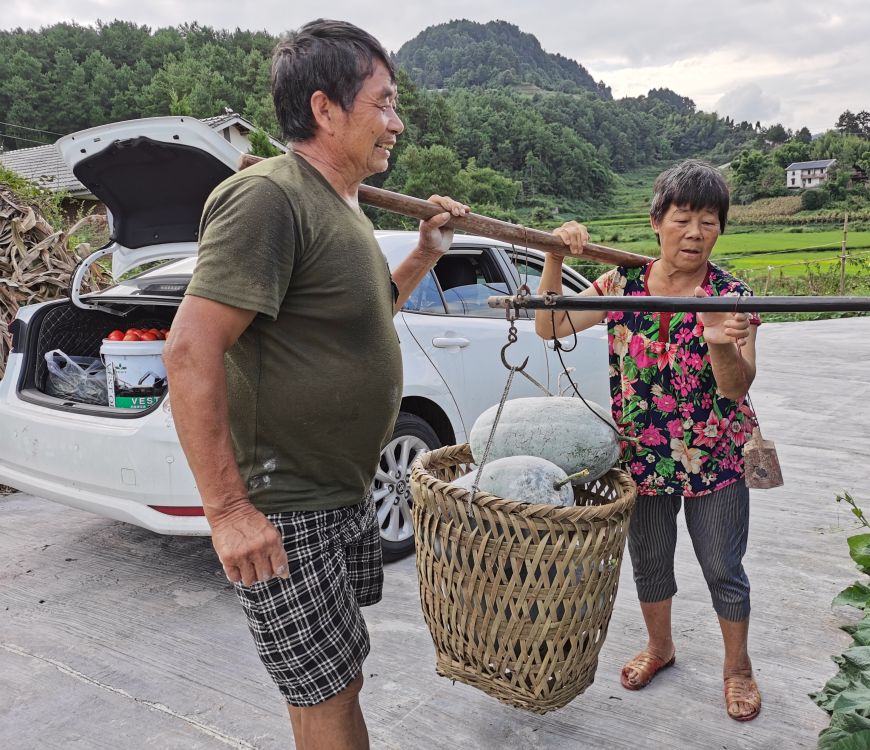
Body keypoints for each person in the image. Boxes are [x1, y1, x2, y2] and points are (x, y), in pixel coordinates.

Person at [163, 20, 467, 750]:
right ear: (325, 109)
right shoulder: (269, 196)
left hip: (339, 493)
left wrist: (425, 254)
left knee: (335, 678)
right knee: (325, 691)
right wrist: (229, 511)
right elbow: (190, 350)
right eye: (383, 103)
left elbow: (364, 314)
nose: (396, 123)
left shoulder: (342, 203)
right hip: (286, 504)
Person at [534, 160, 763, 722]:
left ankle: (738, 668)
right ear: (656, 221)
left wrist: (718, 340)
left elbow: (737, 387)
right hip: (643, 454)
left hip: (716, 455)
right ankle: (660, 647)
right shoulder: (621, 285)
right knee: (651, 560)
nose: (695, 233)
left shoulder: (732, 294)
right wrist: (554, 256)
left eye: (708, 222)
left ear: (720, 228)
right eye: (682, 219)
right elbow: (549, 327)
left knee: (723, 566)